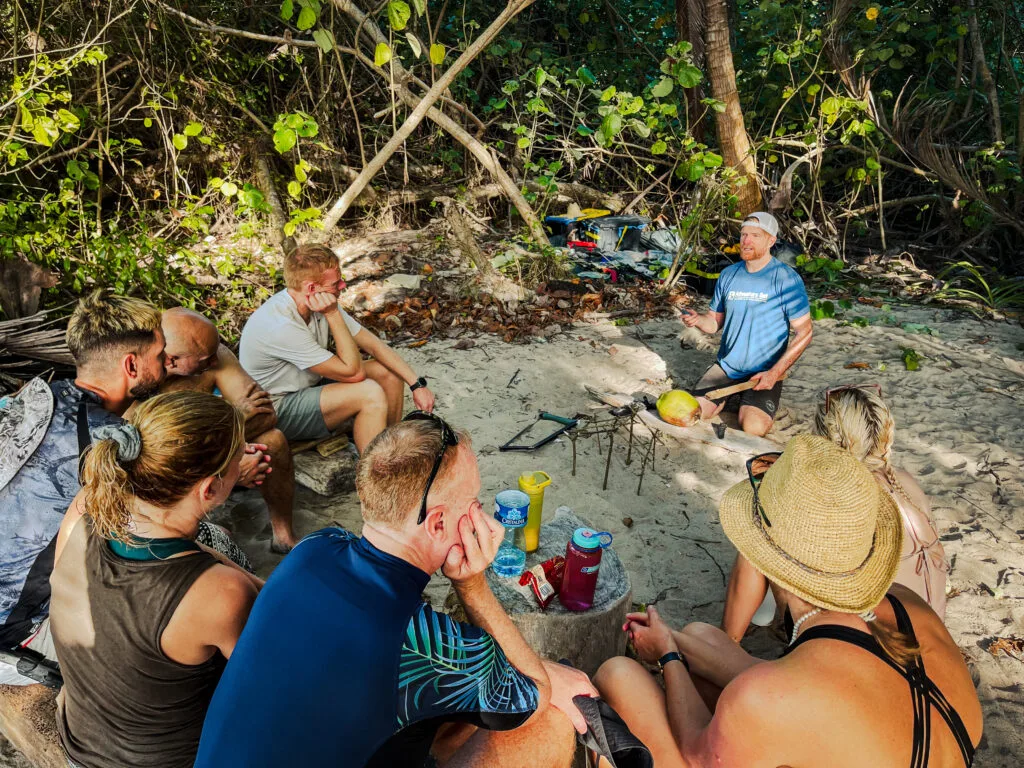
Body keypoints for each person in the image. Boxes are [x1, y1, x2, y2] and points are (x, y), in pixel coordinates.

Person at [196, 415, 595, 768]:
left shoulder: (314, 548)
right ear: (437, 524)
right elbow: (534, 693)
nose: (481, 516)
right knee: (553, 724)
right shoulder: (426, 644)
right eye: (473, 504)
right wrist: (471, 585)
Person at [594, 435, 982, 768]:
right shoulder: (907, 603)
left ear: (765, 561)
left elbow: (696, 752)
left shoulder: (765, 697)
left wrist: (669, 658)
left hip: (726, 739)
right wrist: (674, 640)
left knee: (620, 676)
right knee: (702, 637)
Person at [0, 292, 250, 686]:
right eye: (160, 355)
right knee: (207, 549)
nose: (167, 364)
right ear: (132, 365)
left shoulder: (42, 393)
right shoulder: (111, 444)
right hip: (18, 636)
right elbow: (168, 520)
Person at [50, 391, 262, 768]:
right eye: (239, 458)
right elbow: (269, 686)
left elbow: (175, 551)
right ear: (209, 489)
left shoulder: (88, 505)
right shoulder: (221, 593)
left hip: (80, 745)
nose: (245, 460)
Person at [722, 384, 949, 641]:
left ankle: (728, 640)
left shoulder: (839, 497)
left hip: (865, 643)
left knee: (760, 529)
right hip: (927, 629)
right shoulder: (905, 481)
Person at [238, 244, 436, 451]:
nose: (342, 285)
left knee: (388, 373)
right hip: (276, 408)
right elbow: (354, 373)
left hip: (307, 385)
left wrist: (417, 385)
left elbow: (373, 345)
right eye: (336, 283)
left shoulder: (317, 302)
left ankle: (389, 448)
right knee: (369, 393)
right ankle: (376, 473)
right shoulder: (281, 325)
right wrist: (332, 315)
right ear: (311, 288)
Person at [161, 306, 298, 551]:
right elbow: (161, 451)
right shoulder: (143, 379)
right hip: (173, 470)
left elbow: (265, 415)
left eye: (214, 352)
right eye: (205, 360)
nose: (214, 361)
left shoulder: (214, 355)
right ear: (171, 360)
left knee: (273, 440)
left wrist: (229, 453)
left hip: (214, 450)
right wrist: (227, 463)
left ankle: (284, 536)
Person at [681, 212, 813, 436]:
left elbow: (805, 332)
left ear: (771, 241)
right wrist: (697, 320)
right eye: (743, 235)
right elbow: (714, 323)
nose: (746, 241)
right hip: (727, 367)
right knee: (692, 413)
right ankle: (730, 399)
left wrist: (774, 373)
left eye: (755, 235)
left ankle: (747, 402)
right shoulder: (728, 275)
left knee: (753, 428)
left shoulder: (786, 279)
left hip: (764, 372)